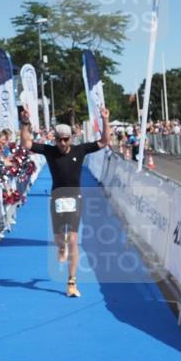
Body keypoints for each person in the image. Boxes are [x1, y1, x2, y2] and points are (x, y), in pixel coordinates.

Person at [21, 108, 111, 298]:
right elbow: (26, 143)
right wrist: (25, 124)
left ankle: (71, 282)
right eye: (59, 140)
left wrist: (105, 119)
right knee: (60, 240)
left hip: (75, 199)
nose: (62, 143)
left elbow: (104, 142)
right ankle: (61, 248)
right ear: (54, 140)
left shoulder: (81, 149)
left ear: (71, 138)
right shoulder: (49, 151)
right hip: (57, 198)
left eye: (66, 139)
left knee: (73, 240)